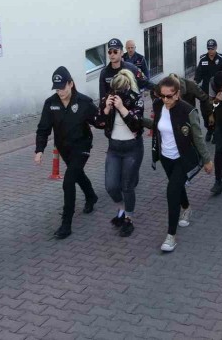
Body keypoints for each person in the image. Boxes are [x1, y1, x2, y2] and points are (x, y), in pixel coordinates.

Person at [35, 66, 102, 239]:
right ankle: (91, 196)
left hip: (82, 146)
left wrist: (110, 119)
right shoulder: (50, 104)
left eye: (62, 88)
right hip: (64, 148)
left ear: (71, 84)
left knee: (69, 181)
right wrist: (39, 149)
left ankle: (66, 224)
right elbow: (43, 129)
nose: (60, 92)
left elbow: (100, 121)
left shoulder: (84, 102)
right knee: (77, 174)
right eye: (57, 89)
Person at [150, 76, 213, 252]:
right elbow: (155, 126)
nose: (165, 99)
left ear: (177, 94)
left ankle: (171, 236)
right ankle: (186, 207)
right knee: (176, 186)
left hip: (182, 158)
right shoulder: (158, 105)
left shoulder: (188, 111)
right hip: (165, 157)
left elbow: (198, 137)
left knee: (171, 192)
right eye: (162, 95)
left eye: (169, 96)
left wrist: (207, 160)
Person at [100, 69, 146, 237]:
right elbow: (99, 122)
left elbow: (137, 124)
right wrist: (106, 109)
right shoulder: (109, 98)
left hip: (132, 148)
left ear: (127, 86)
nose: (116, 93)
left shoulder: (136, 98)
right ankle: (121, 209)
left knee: (127, 186)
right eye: (114, 90)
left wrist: (122, 108)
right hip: (114, 147)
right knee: (111, 186)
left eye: (120, 90)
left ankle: (128, 218)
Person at [194, 39, 222, 142]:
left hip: (217, 91)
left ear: (216, 48)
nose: (210, 51)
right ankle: (209, 129)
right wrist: (196, 83)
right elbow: (198, 75)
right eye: (209, 49)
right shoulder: (203, 59)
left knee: (217, 112)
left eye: (212, 49)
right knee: (205, 112)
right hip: (205, 92)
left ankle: (216, 132)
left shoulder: (221, 59)